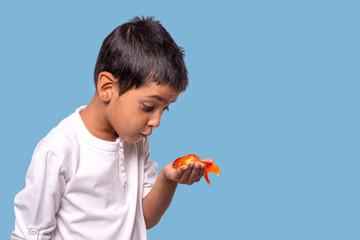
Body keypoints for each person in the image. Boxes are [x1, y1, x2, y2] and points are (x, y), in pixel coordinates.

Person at [12, 16, 213, 240]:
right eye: (148, 106)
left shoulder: (136, 141)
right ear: (107, 87)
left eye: (164, 109)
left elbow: (144, 218)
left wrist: (167, 179)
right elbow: (30, 233)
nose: (156, 121)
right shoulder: (59, 150)